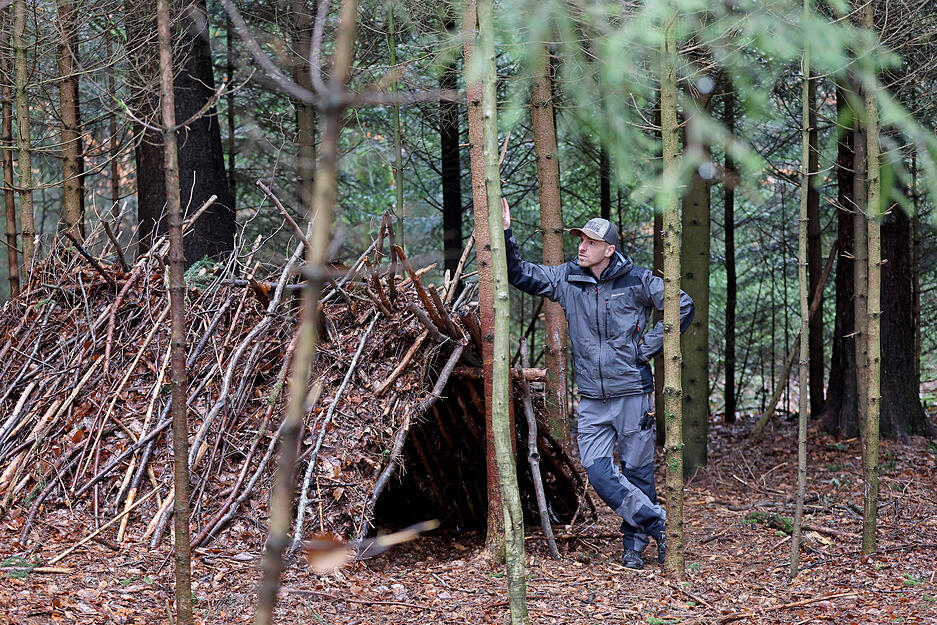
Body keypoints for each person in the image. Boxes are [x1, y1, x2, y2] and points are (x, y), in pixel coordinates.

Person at [501, 198, 694, 570]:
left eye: (590, 241)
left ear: (609, 249)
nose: (582, 246)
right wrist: (506, 232)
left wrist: (647, 349)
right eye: (580, 239)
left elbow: (680, 304)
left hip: (634, 393)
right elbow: (520, 273)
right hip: (591, 399)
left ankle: (635, 547)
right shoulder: (566, 279)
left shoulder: (637, 279)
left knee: (638, 472)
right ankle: (659, 523)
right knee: (599, 472)